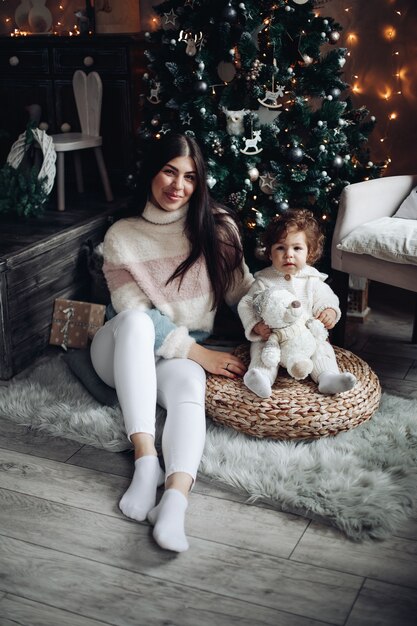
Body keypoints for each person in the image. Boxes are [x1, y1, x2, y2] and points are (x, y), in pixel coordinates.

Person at [90, 133, 254, 552]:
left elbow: (244, 292)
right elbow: (135, 312)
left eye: (189, 177)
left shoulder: (218, 230)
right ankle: (145, 462)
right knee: (138, 324)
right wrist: (202, 354)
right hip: (119, 349)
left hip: (173, 357)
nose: (177, 186)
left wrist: (285, 314)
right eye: (168, 171)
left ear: (200, 184)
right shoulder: (122, 235)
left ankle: (175, 501)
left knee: (188, 384)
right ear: (152, 172)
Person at [238, 209, 357, 398]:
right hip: (273, 338)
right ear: (269, 253)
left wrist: (329, 311)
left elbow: (328, 298)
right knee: (260, 352)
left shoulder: (312, 280)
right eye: (280, 248)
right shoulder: (263, 281)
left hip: (305, 338)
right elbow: (246, 304)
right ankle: (261, 379)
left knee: (322, 348)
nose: (289, 255)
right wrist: (256, 326)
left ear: (310, 252)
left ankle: (327, 378)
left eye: (297, 248)